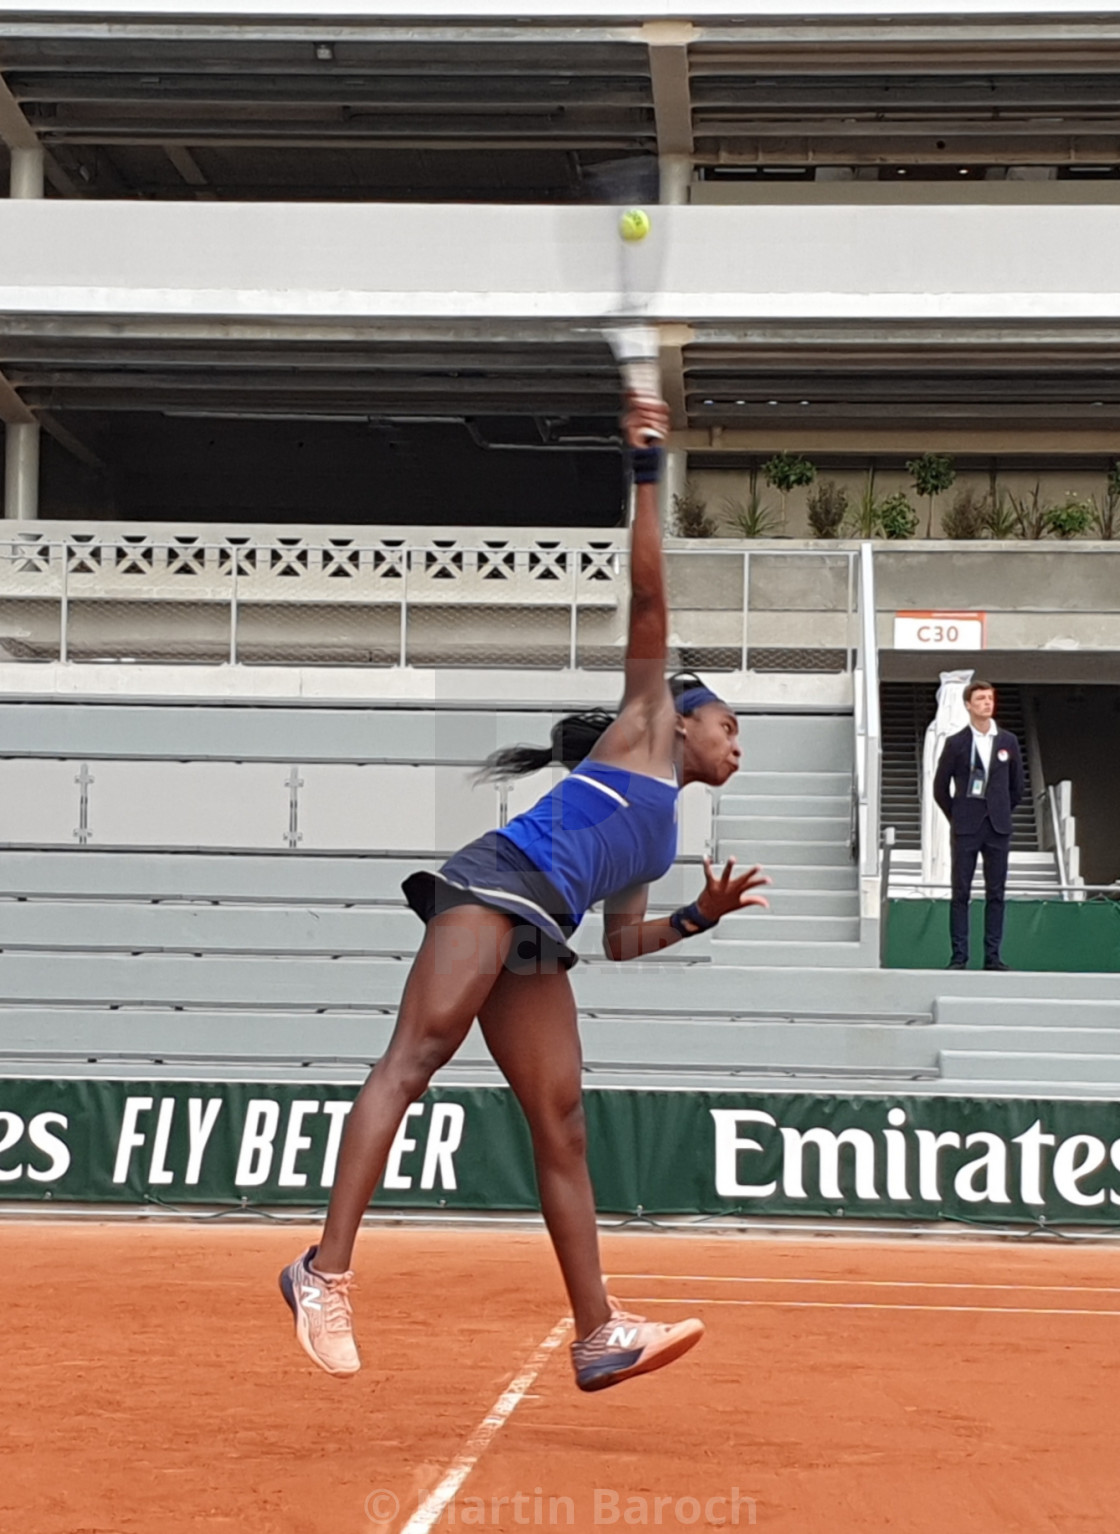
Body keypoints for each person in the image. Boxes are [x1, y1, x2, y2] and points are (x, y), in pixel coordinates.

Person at [279, 393, 770, 1393]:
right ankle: (322, 1272)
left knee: (563, 1120)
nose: (736, 741)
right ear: (680, 723)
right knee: (413, 1059)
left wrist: (699, 916)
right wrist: (644, 472)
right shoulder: (638, 723)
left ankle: (597, 1333)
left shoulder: (663, 834)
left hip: (541, 931)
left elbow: (624, 942)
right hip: (490, 888)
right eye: (727, 724)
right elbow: (647, 601)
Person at [932, 679, 1024, 971]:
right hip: (967, 827)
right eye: (981, 698)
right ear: (968, 705)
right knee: (961, 892)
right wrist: (957, 815)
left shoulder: (1007, 741)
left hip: (997, 827)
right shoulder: (957, 743)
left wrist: (1000, 811)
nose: (987, 703)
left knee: (996, 892)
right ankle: (959, 956)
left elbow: (1017, 786)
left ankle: (993, 956)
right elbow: (939, 787)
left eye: (990, 698)